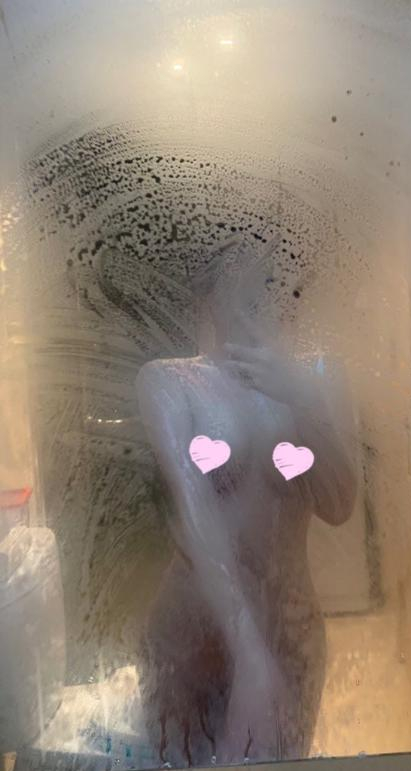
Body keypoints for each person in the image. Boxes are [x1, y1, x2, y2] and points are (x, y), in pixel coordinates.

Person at [130, 236, 357, 766]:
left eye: (277, 283)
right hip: (192, 633)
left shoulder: (320, 376)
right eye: (246, 283)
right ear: (209, 292)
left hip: (291, 629)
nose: (266, 298)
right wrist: (249, 654)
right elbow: (197, 525)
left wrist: (303, 398)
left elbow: (339, 505)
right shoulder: (169, 381)